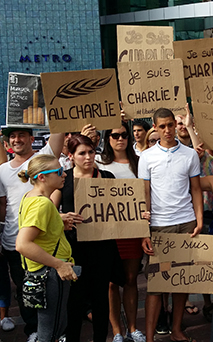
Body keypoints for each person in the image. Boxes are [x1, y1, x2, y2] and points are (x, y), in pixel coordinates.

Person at [51, 135, 124, 342]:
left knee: (101, 299)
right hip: (74, 249)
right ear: (71, 156)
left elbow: (121, 209)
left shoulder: (107, 177)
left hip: (103, 248)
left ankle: (100, 339)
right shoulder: (63, 180)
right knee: (74, 301)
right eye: (82, 153)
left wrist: (138, 214)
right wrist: (61, 217)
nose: (88, 157)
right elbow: (47, 211)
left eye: (91, 152)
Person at [140, 107, 203, 342]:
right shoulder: (146, 157)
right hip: (159, 226)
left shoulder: (190, 154)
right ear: (155, 128)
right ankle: (149, 337)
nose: (167, 130)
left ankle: (177, 330)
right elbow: (144, 194)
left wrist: (198, 221)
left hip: (186, 224)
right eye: (162, 126)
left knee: (182, 281)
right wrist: (143, 230)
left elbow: (195, 189)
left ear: (176, 125)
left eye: (171, 125)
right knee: (156, 286)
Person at [0, 127, 63, 341]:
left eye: (21, 135)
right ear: (8, 142)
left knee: (47, 293)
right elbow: (3, 206)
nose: (17, 139)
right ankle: (34, 332)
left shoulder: (43, 160)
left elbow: (58, 134)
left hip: (42, 240)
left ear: (31, 139)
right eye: (12, 136)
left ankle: (49, 332)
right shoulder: (3, 170)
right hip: (13, 241)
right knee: (25, 291)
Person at [15, 154, 77, 342]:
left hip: (41, 273)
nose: (64, 174)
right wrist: (59, 264)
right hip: (49, 275)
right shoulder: (42, 204)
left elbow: (38, 227)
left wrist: (58, 221)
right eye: (59, 171)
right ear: (42, 177)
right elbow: (23, 244)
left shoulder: (31, 196)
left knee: (51, 327)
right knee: (52, 330)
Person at [96, 122, 144, 342]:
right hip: (109, 231)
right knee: (111, 282)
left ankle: (133, 328)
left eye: (124, 134)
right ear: (108, 138)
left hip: (134, 229)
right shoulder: (98, 163)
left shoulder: (139, 163)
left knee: (131, 279)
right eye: (115, 135)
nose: (120, 138)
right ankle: (117, 331)